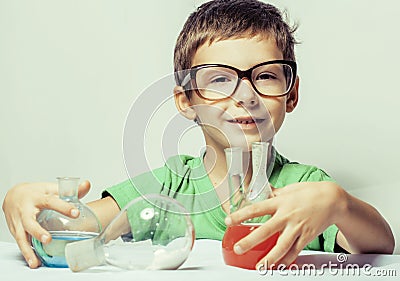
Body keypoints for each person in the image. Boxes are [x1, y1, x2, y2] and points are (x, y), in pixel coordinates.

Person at [2, 0, 394, 270]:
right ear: (185, 101)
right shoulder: (170, 182)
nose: (246, 96)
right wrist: (29, 204)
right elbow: (85, 230)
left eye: (266, 76)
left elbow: (379, 247)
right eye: (220, 79)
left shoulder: (307, 189)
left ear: (291, 94)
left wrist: (340, 204)